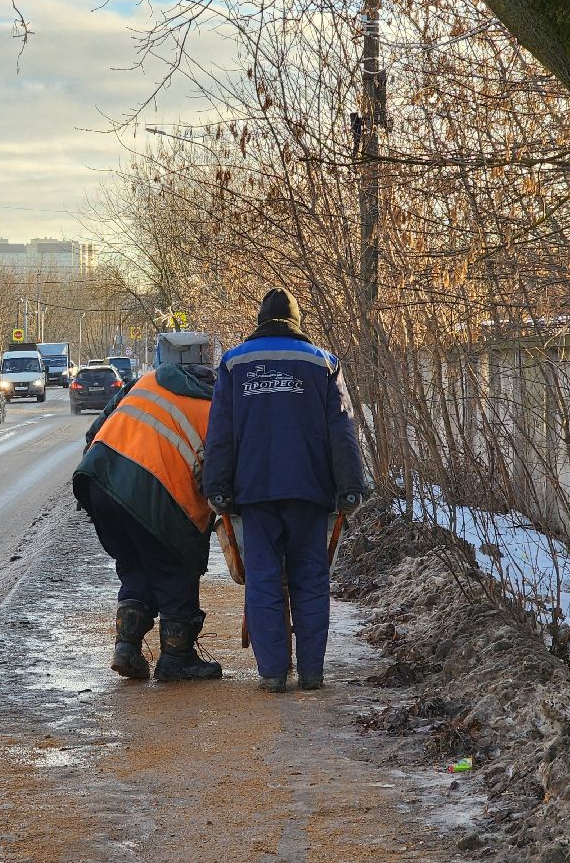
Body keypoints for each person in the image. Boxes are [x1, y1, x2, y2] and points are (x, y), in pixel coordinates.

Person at [201, 288, 367, 692]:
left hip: (254, 492)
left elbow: (220, 431)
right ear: (297, 321)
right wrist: (350, 486)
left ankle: (273, 673)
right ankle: (311, 673)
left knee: (263, 579)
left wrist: (217, 486)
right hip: (310, 491)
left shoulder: (234, 363)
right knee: (311, 579)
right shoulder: (323, 363)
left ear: (260, 321)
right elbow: (342, 429)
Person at [73, 351, 225, 682]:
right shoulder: (217, 408)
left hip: (99, 480)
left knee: (135, 566)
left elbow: (95, 430)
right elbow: (217, 477)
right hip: (154, 492)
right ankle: (177, 658)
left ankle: (126, 648)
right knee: (176, 568)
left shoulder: (147, 381)